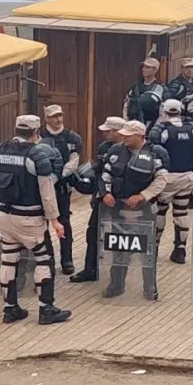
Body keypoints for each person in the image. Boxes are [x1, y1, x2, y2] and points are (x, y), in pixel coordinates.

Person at [0, 115, 71, 325]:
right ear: (36, 132)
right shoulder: (37, 155)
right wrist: (55, 221)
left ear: (16, 129)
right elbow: (47, 193)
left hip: (5, 216)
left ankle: (10, 309)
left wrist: (3, 203)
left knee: (8, 258)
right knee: (44, 259)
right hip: (31, 219)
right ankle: (46, 309)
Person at [98, 121, 170, 300]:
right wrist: (105, 193)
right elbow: (105, 174)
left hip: (144, 209)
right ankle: (116, 284)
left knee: (147, 248)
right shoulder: (115, 150)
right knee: (118, 247)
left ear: (139, 136)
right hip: (118, 208)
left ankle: (150, 286)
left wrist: (143, 195)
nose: (123, 137)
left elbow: (161, 180)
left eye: (128, 135)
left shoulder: (156, 153)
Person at [70, 117, 127, 283]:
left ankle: (119, 275)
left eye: (108, 131)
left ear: (119, 132)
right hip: (103, 196)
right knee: (93, 232)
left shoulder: (130, 149)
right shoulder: (104, 147)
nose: (104, 133)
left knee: (120, 235)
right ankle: (90, 269)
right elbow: (99, 173)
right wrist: (95, 193)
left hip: (123, 199)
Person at [149, 100, 193, 264]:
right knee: (181, 212)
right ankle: (180, 250)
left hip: (166, 177)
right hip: (186, 176)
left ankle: (154, 248)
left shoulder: (161, 130)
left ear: (164, 111)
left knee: (160, 211)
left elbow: (155, 153)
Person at [39, 104, 83, 276]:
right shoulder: (40, 135)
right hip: (41, 186)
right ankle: (48, 259)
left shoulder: (72, 137)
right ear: (46, 118)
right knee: (42, 223)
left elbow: (73, 162)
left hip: (62, 186)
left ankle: (67, 259)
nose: (58, 119)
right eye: (54, 116)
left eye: (60, 115)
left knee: (64, 221)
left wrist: (57, 176)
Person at [123, 57, 163, 130]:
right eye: (144, 67)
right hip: (133, 124)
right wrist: (126, 121)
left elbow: (162, 110)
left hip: (151, 125)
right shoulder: (135, 86)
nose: (144, 69)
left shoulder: (159, 88)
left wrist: (156, 127)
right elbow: (127, 104)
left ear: (155, 70)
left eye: (148, 67)